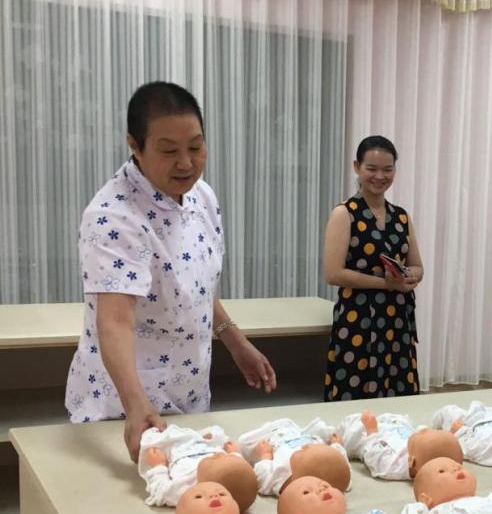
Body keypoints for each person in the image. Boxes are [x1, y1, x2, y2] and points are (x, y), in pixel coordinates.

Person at [65, 81, 276, 463]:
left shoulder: (201, 197)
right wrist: (135, 405)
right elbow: (114, 320)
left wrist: (234, 341)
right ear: (135, 145)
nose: (186, 163)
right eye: (168, 150)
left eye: (195, 147)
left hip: (188, 391)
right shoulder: (113, 215)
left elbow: (196, 286)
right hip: (123, 406)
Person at [322, 136, 423, 401]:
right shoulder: (344, 213)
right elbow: (333, 273)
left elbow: (417, 266)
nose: (380, 176)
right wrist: (387, 284)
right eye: (371, 168)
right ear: (357, 167)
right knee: (355, 392)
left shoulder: (401, 216)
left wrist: (410, 275)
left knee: (399, 395)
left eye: (388, 170)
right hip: (358, 318)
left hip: (398, 318)